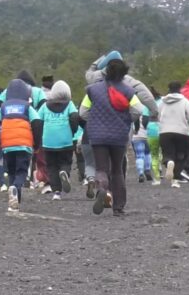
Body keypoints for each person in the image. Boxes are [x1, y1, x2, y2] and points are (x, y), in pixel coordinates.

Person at [78, 58, 137, 215]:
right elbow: (138, 111)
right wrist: (126, 120)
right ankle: (118, 207)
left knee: (101, 168)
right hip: (119, 136)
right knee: (117, 170)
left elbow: (82, 112)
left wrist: (95, 120)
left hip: (97, 136)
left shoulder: (93, 90)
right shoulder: (128, 91)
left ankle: (103, 188)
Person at [0, 73, 41, 211]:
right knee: (21, 171)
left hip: (7, 145)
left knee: (12, 171)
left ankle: (15, 202)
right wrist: (37, 144)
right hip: (24, 145)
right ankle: (16, 188)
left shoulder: (3, 108)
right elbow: (37, 123)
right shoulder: (27, 107)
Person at [37, 81, 78, 200]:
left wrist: (40, 136)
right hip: (65, 140)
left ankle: (56, 192)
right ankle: (64, 172)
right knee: (65, 162)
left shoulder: (45, 106)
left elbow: (38, 120)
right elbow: (75, 117)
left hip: (48, 142)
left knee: (51, 166)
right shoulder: (69, 104)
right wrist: (73, 131)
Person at [156, 80, 189, 188]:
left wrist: (162, 123)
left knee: (167, 154)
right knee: (181, 156)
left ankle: (169, 162)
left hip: (165, 131)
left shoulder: (162, 101)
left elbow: (157, 114)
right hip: (181, 131)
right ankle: (175, 179)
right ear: (180, 89)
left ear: (169, 89)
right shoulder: (184, 101)